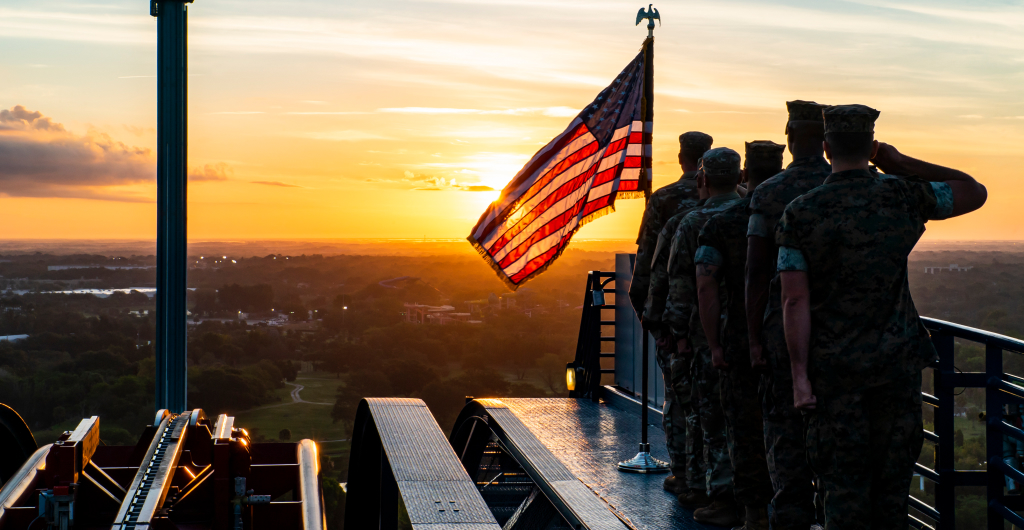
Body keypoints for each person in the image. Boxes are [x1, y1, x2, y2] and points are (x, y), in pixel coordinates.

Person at [776, 104, 987, 528]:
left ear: (825, 147)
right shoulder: (902, 195)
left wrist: (799, 377)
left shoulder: (801, 211)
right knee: (891, 494)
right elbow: (973, 191)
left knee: (841, 490)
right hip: (895, 368)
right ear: (871, 146)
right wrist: (898, 162)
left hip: (832, 373)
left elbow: (794, 301)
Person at [745, 100, 831, 530]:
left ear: (790, 138)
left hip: (783, 333)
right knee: (841, 447)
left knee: (785, 438)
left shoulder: (769, 193)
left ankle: (792, 520)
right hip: (846, 339)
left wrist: (754, 339)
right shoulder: (856, 186)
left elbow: (756, 272)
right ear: (826, 141)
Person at [695, 141, 784, 530]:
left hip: (739, 342)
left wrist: (714, 344)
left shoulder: (722, 223)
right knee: (793, 431)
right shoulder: (799, 213)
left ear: (746, 175)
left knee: (744, 430)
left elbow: (706, 287)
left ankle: (754, 516)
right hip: (794, 338)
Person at [628, 131, 714, 493]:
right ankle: (718, 480)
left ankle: (685, 475)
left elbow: (647, 263)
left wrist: (650, 318)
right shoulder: (738, 200)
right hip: (723, 323)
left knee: (679, 400)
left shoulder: (664, 200)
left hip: (674, 321)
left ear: (681, 158)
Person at [665, 147, 745, 527]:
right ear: (739, 177)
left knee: (710, 417)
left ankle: (720, 497)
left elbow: (684, 286)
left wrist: (678, 334)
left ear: (703, 179)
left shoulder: (693, 222)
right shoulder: (754, 215)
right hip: (758, 334)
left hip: (707, 337)